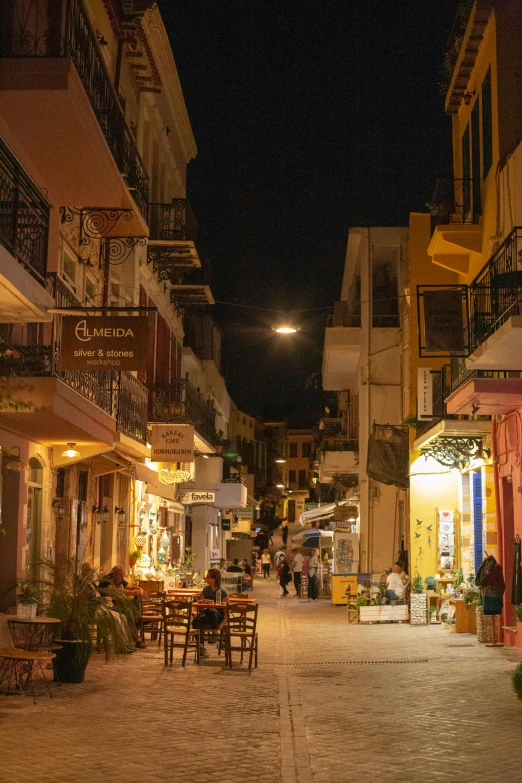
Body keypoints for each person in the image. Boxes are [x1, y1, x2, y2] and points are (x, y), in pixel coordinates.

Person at [98, 565, 145, 647]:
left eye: (123, 575)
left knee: (131, 611)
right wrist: (130, 593)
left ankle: (134, 635)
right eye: (120, 575)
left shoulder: (119, 579)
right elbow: (114, 592)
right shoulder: (106, 580)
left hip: (115, 605)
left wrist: (139, 588)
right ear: (114, 573)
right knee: (127, 613)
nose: (122, 577)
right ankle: (135, 639)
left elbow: (129, 586)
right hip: (105, 606)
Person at [193, 567, 229, 657]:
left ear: (214, 579)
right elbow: (200, 603)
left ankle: (215, 632)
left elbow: (227, 611)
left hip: (218, 617)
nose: (206, 579)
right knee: (195, 622)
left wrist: (222, 624)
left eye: (208, 577)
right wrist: (198, 610)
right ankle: (201, 647)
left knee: (212, 610)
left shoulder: (222, 591)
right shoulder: (206, 589)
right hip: (207, 615)